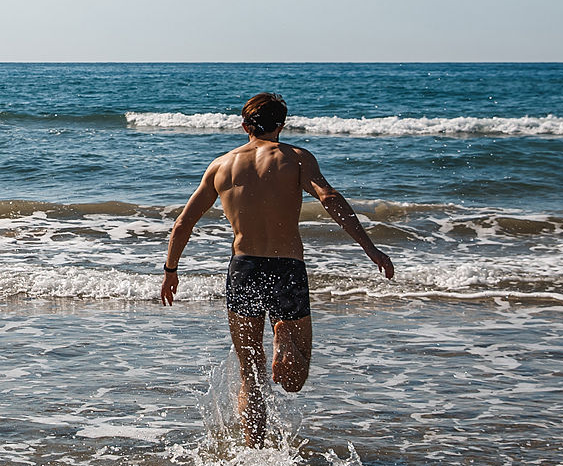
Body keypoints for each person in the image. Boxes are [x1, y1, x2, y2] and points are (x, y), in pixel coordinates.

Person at [158, 92, 393, 446]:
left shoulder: (222, 165)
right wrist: (370, 247)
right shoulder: (297, 159)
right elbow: (328, 198)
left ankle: (255, 452)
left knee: (249, 374)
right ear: (282, 124)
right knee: (295, 380)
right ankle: (282, 333)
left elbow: (182, 223)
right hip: (287, 268)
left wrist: (170, 270)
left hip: (244, 268)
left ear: (244, 126)